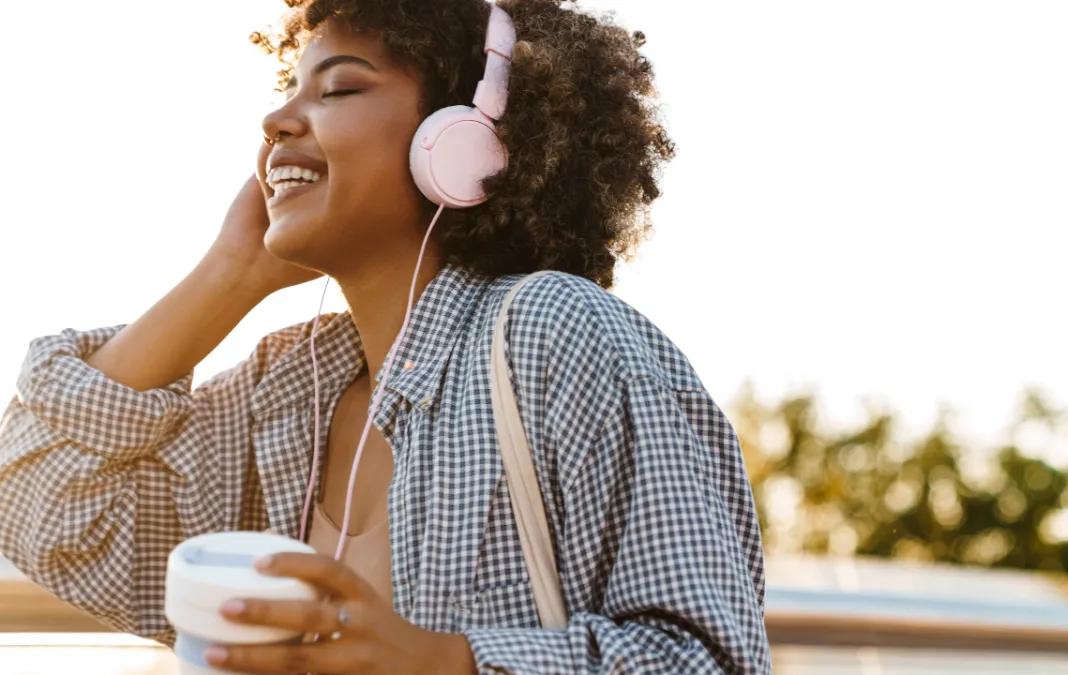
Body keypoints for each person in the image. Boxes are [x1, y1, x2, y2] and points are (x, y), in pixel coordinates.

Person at [0, 0, 769, 672]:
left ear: (461, 145)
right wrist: (227, 275)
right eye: (287, 91)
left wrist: (441, 664)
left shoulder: (555, 334)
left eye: (338, 87)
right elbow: (39, 504)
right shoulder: (286, 385)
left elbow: (713, 657)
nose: (275, 121)